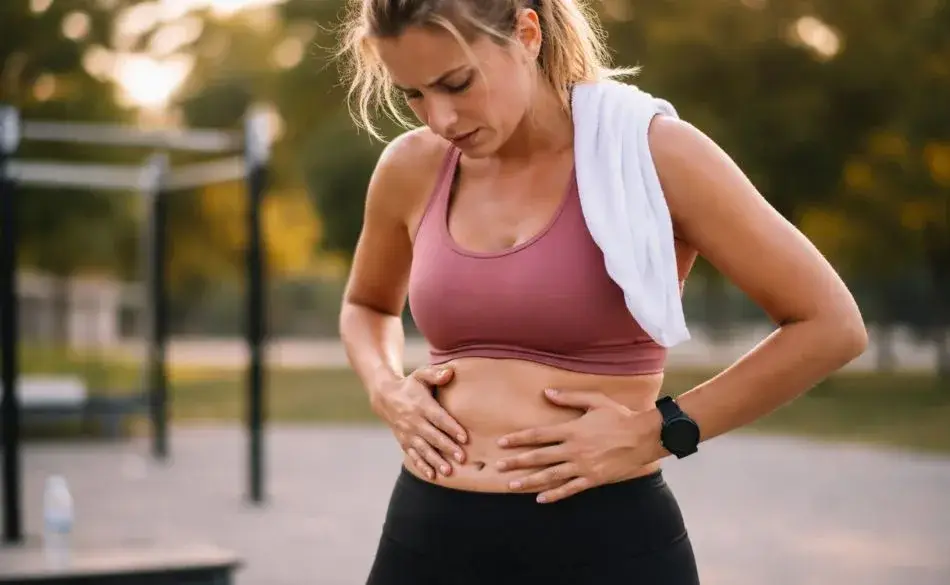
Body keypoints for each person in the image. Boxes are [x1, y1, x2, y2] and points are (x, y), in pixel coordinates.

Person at [335, 1, 868, 584]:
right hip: (429, 532)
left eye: (457, 83)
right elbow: (367, 305)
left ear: (527, 32)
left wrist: (658, 431)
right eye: (413, 94)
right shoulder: (411, 167)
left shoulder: (653, 153)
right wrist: (387, 390)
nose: (439, 118)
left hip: (604, 538)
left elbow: (830, 325)